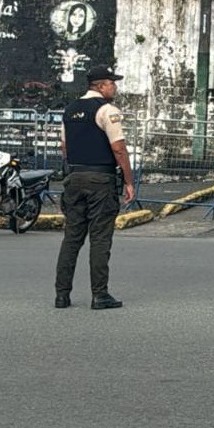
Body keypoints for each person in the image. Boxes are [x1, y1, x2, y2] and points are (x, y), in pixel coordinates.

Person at [54, 64, 134, 310]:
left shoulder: (70, 110)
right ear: (101, 86)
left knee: (72, 239)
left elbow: (64, 148)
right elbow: (118, 148)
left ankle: (61, 295)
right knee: (100, 238)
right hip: (100, 180)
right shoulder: (107, 110)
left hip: (75, 178)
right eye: (112, 83)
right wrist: (130, 181)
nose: (115, 87)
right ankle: (100, 295)